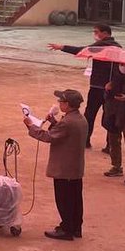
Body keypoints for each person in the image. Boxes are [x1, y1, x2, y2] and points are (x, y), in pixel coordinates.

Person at [23, 89, 87, 240]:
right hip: (75, 167)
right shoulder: (80, 119)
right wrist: (54, 122)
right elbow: (64, 133)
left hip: (64, 168)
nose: (59, 103)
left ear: (67, 104)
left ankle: (66, 229)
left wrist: (31, 126)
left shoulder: (67, 122)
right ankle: (75, 228)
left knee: (64, 199)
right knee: (76, 199)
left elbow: (48, 137)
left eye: (61, 101)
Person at [48, 25, 122, 149]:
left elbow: (81, 50)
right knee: (110, 116)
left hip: (97, 87)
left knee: (90, 115)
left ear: (105, 33)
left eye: (97, 32)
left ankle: (85, 141)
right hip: (111, 88)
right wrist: (114, 83)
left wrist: (62, 47)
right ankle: (110, 146)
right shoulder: (118, 48)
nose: (95, 34)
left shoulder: (99, 46)